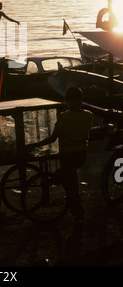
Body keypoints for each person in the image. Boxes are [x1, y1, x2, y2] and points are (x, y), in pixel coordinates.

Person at [25, 86, 93, 222]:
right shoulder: (88, 115)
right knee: (68, 178)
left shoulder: (64, 117)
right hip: (81, 155)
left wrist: (33, 145)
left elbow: (52, 138)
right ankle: (58, 184)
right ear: (81, 99)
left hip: (67, 155)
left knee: (71, 186)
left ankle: (78, 212)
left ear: (66, 100)